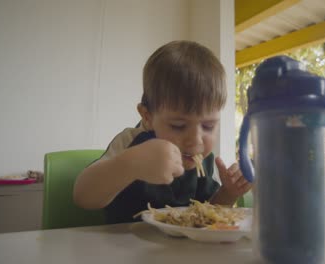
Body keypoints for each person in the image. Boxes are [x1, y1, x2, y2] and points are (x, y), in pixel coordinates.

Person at [73, 40, 252, 224]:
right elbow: (83, 196)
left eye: (208, 126)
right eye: (178, 126)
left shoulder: (204, 161)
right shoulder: (132, 142)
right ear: (148, 117)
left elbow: (207, 215)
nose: (195, 141)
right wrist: (130, 163)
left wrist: (228, 193)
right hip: (124, 247)